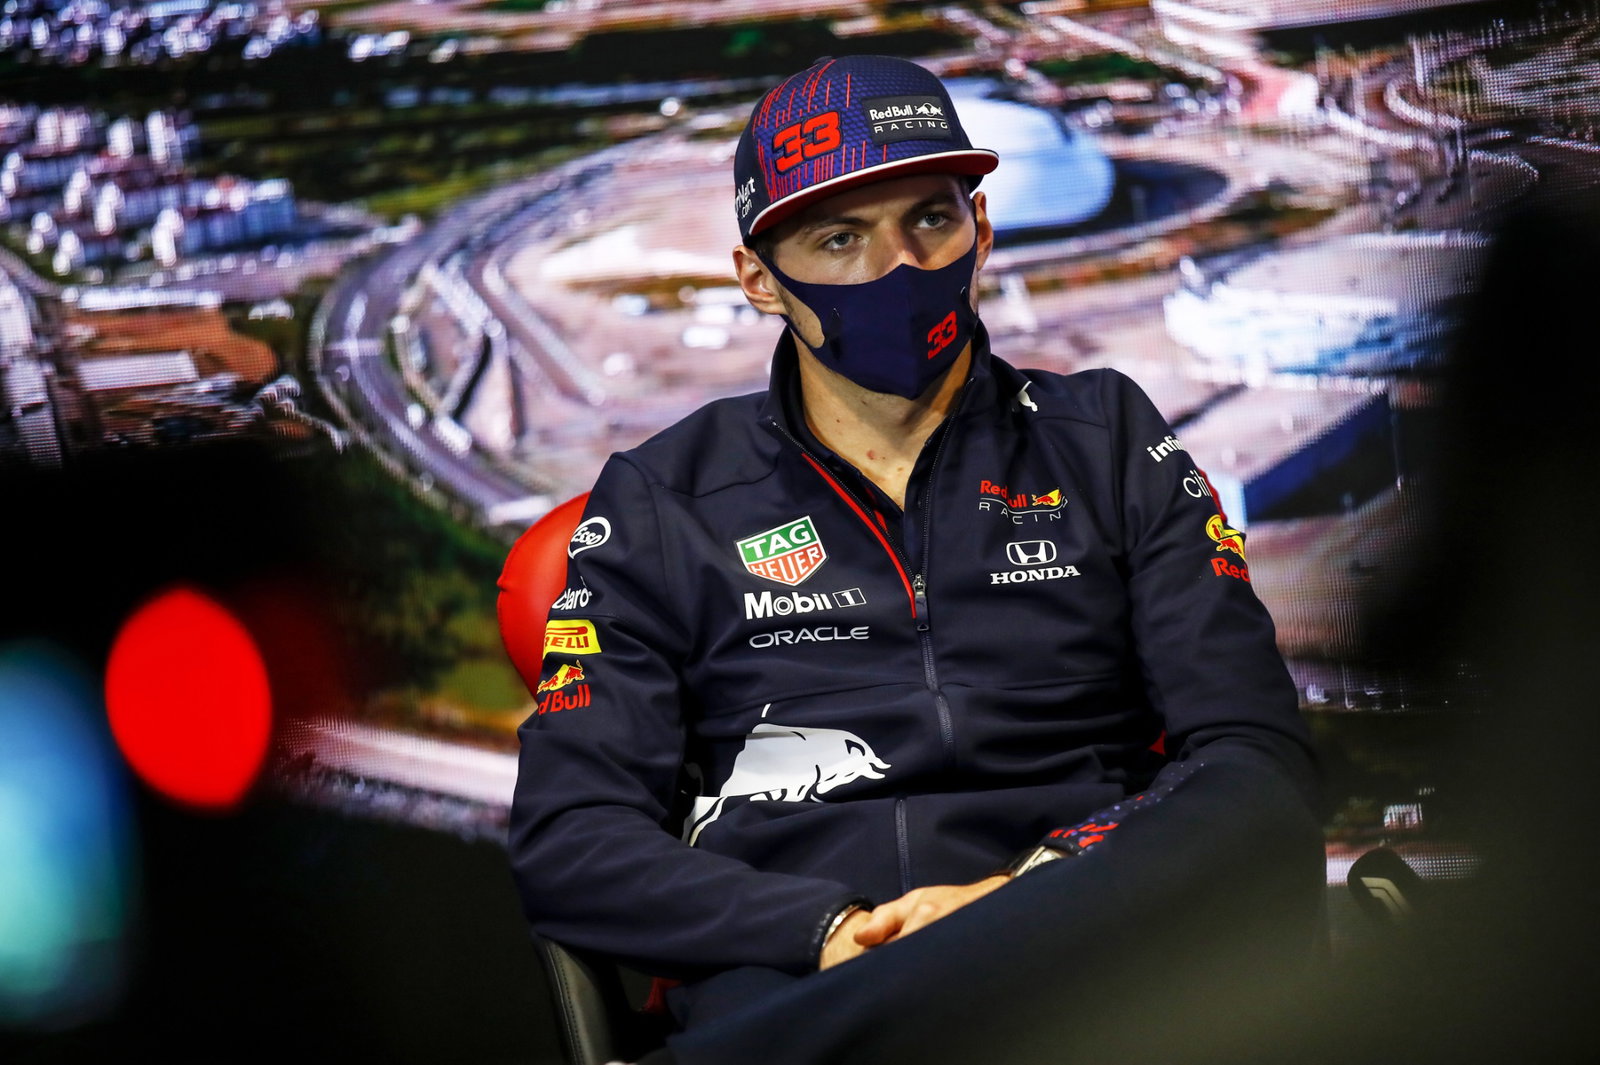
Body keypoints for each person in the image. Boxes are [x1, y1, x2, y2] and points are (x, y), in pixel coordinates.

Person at [509, 55, 1324, 1065]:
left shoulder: (1105, 437)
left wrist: (1019, 897)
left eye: (928, 220)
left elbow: (1251, 761)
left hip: (1077, 937)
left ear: (980, 228)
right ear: (758, 279)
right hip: (810, 972)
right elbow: (572, 838)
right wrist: (831, 932)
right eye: (839, 237)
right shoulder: (662, 497)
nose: (896, 266)